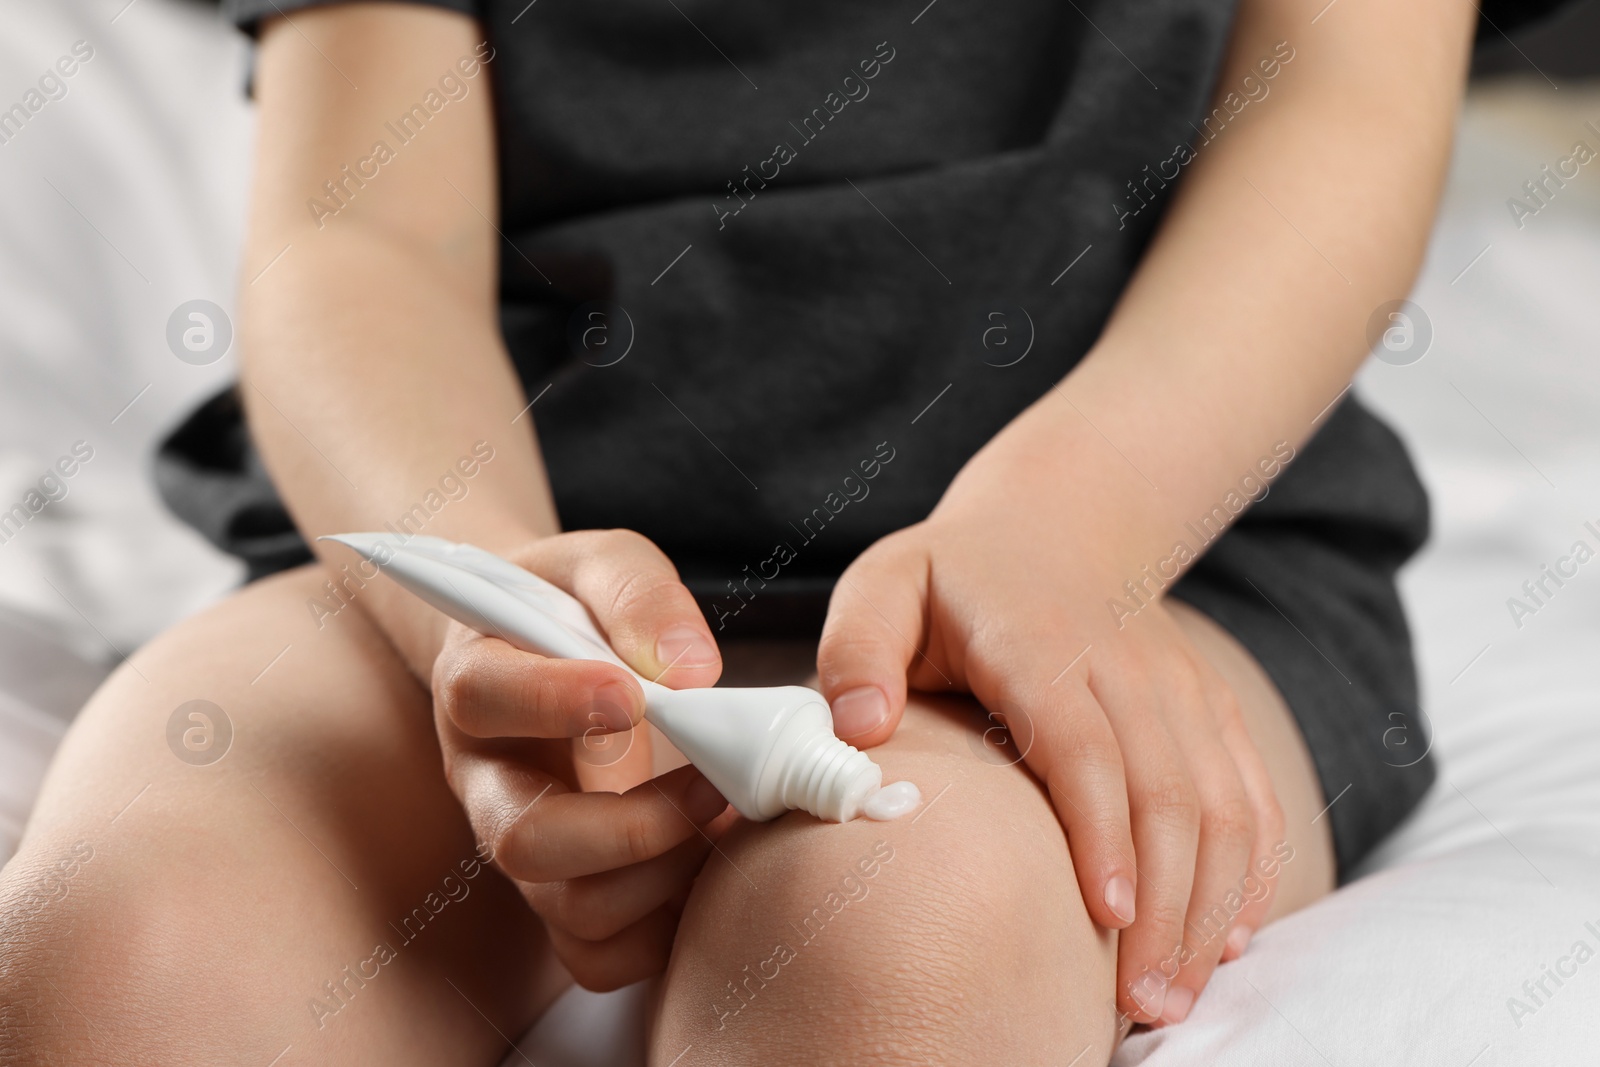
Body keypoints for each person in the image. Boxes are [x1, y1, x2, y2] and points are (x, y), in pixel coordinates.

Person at [2, 0, 1538, 1061]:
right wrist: (477, 595)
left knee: (891, 936)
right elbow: (363, 237)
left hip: (1132, 542)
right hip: (515, 527)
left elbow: (1337, 126)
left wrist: (1077, 531)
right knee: (127, 958)